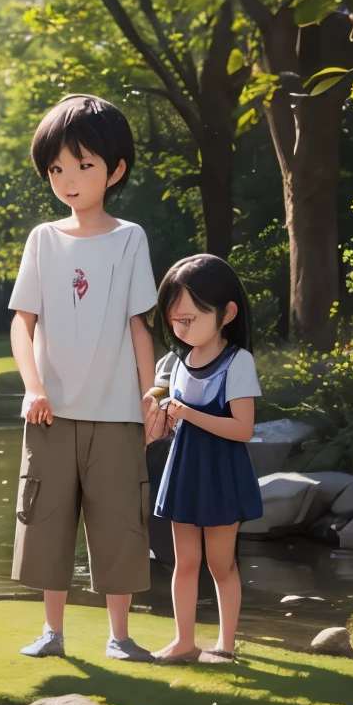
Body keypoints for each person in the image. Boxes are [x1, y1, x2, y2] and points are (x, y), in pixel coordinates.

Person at [7, 93, 167, 662]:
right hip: (50, 413)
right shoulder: (42, 240)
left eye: (83, 165)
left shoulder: (130, 238)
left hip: (119, 412)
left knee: (121, 524)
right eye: (56, 168)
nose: (68, 180)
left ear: (115, 169)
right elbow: (22, 325)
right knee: (47, 521)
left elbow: (139, 328)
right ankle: (53, 633)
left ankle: (120, 636)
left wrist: (153, 398)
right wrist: (33, 387)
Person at [149, 255, 263, 664]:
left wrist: (189, 414)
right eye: (176, 321)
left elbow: (243, 429)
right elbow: (173, 415)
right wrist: (160, 416)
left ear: (227, 313)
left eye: (191, 318)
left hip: (221, 472)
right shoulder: (179, 363)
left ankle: (225, 645)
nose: (182, 328)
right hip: (184, 470)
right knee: (185, 562)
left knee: (219, 564)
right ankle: (184, 641)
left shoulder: (238, 362)